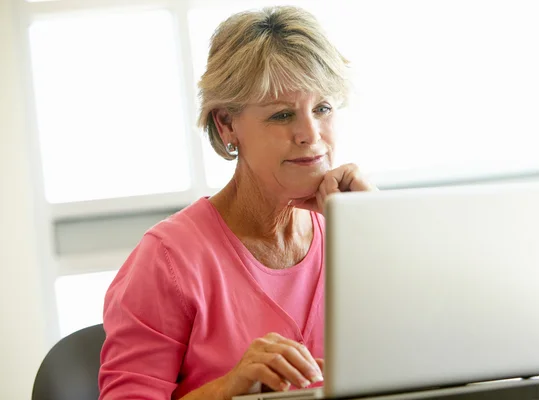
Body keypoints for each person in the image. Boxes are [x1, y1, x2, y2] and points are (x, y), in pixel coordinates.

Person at [98, 6, 376, 400]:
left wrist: (381, 233)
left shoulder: (355, 228)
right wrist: (231, 387)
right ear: (226, 124)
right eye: (282, 114)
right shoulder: (169, 259)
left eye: (322, 108)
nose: (310, 135)